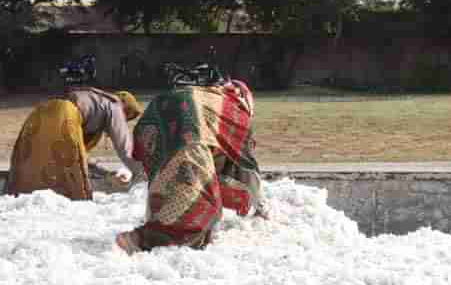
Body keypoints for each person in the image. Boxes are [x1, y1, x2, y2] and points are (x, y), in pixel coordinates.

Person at [114, 77, 264, 255]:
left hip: (152, 122)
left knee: (166, 179)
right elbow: (246, 166)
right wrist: (259, 206)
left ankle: (154, 221)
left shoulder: (209, 96)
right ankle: (142, 239)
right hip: (187, 130)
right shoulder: (235, 112)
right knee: (203, 201)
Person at [7, 87, 143, 200]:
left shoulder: (92, 99)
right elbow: (124, 146)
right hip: (65, 116)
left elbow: (78, 152)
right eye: (127, 117)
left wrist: (103, 173)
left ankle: (19, 191)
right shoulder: (114, 105)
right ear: (126, 108)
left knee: (35, 156)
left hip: (41, 113)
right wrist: (141, 171)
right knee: (73, 185)